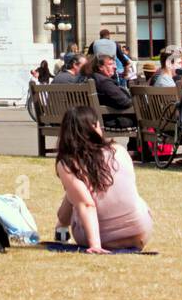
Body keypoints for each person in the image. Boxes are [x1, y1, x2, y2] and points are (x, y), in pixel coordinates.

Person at [53, 106, 153, 253]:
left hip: (102, 237)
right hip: (139, 232)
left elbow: (87, 205)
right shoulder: (118, 150)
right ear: (94, 127)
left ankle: (61, 226)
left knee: (77, 192)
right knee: (77, 190)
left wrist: (95, 245)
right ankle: (61, 224)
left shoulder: (68, 163)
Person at [91, 54, 135, 129]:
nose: (115, 67)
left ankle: (134, 141)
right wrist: (136, 101)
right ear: (100, 67)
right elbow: (124, 102)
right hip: (110, 119)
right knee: (144, 117)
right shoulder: (104, 82)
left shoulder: (93, 78)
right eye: (110, 64)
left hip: (100, 117)